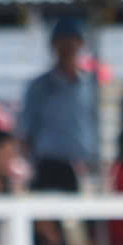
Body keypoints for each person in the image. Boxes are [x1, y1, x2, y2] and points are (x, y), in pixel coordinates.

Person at [21, 18, 98, 192]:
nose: (67, 48)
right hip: (49, 167)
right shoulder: (39, 87)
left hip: (84, 167)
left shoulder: (91, 86)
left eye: (73, 42)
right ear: (53, 45)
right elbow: (25, 133)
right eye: (62, 42)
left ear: (81, 44)